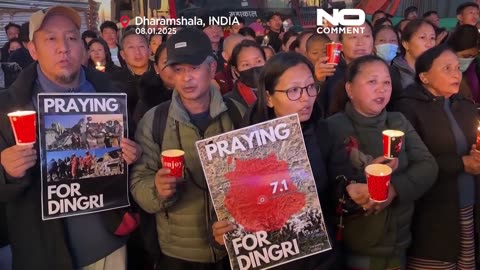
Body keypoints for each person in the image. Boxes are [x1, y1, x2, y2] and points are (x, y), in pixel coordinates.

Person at [0, 6, 142, 270]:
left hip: (109, 247)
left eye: (72, 38)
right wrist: (6, 170)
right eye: (51, 39)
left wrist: (133, 155)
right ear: (33, 50)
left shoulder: (111, 94)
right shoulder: (8, 106)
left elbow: (133, 164)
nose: (63, 48)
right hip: (42, 255)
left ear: (84, 48)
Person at [214, 52, 353, 269]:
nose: (306, 98)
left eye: (310, 87)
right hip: (269, 259)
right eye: (294, 91)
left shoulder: (324, 132)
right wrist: (227, 232)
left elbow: (339, 189)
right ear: (268, 97)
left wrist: (354, 192)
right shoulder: (242, 146)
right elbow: (234, 206)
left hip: (321, 258)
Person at [130, 27, 246, 270]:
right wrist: (157, 189)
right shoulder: (154, 121)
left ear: (212, 68)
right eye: (178, 70)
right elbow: (138, 182)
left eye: (194, 68)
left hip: (235, 244)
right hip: (177, 252)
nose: (186, 78)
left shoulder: (238, 113)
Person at [327, 55, 437, 270]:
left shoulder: (398, 121)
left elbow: (428, 165)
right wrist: (358, 185)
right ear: (350, 89)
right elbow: (326, 184)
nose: (381, 89)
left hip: (400, 242)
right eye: (372, 82)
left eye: (386, 82)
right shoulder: (332, 128)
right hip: (357, 245)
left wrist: (394, 190)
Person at [392, 45, 480, 270]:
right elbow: (410, 161)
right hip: (434, 212)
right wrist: (461, 163)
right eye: (446, 68)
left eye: (457, 68)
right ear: (425, 77)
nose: (456, 74)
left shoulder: (465, 105)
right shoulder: (407, 110)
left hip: (468, 205)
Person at [318, 21, 374, 115]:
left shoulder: (383, 71)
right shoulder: (329, 71)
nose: (360, 43)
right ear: (340, 45)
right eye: (353, 37)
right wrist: (318, 82)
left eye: (366, 36)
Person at [111, 30, 155, 119]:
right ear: (122, 54)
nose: (137, 52)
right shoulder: (114, 81)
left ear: (149, 50)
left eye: (141, 46)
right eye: (131, 47)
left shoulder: (162, 74)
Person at [132, 42, 173, 127]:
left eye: (178, 60)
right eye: (166, 62)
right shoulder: (147, 99)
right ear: (156, 67)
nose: (174, 67)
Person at [391, 19, 436, 90]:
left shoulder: (437, 72)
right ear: (406, 44)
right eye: (422, 37)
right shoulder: (392, 75)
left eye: (432, 38)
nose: (429, 44)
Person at [225, 40, 266, 107]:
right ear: (236, 71)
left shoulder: (278, 91)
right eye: (246, 64)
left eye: (258, 61)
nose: (253, 67)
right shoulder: (228, 104)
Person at [447, 24, 480, 104]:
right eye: (466, 56)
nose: (469, 60)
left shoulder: (474, 66)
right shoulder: (440, 72)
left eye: (473, 56)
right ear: (453, 49)